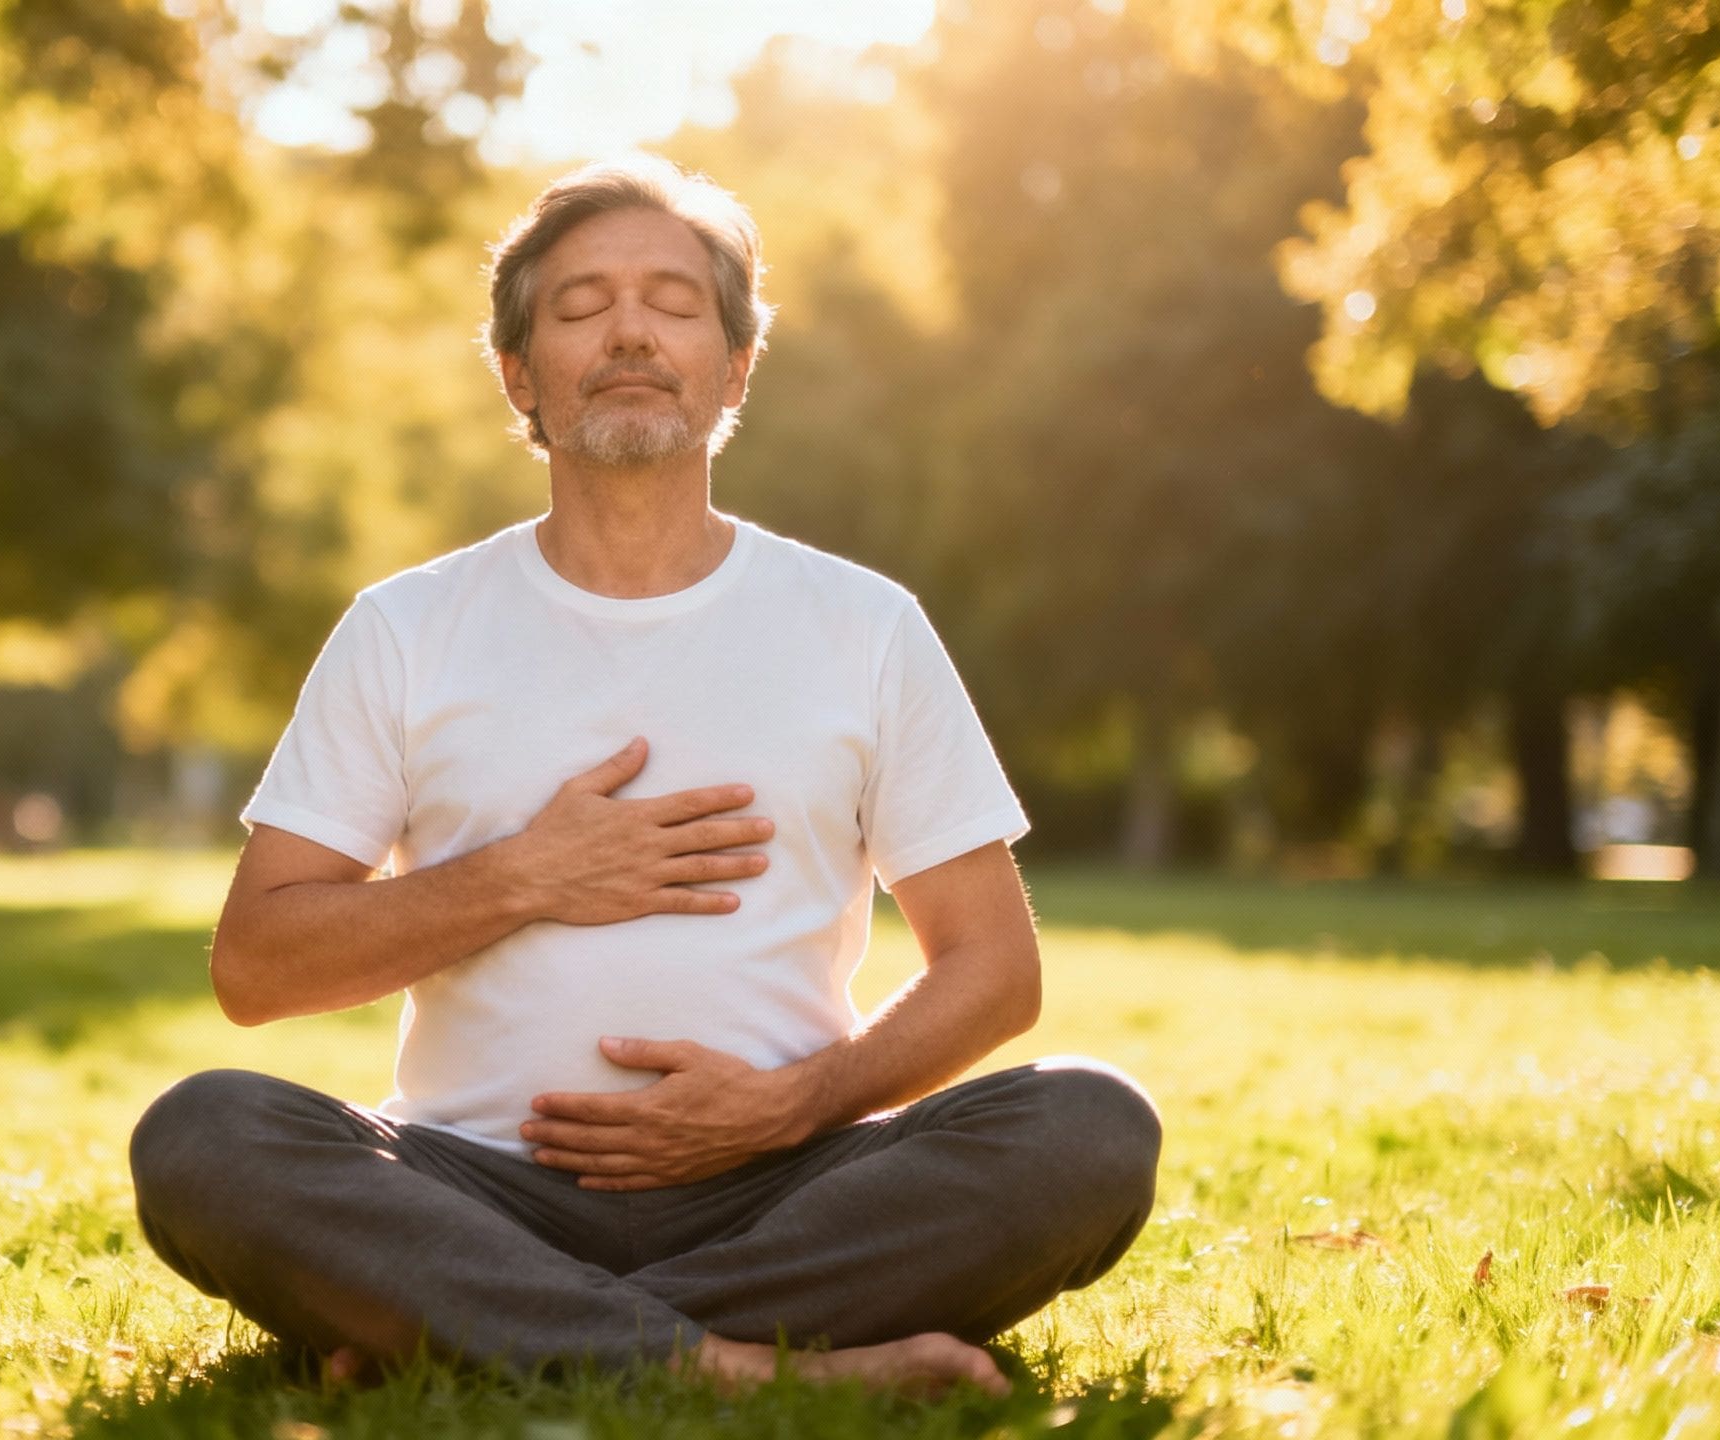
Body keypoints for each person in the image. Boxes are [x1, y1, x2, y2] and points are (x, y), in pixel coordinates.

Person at [129, 154, 1160, 1398]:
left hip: (787, 1188)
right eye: (577, 307)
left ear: (733, 367)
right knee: (204, 1136)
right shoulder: (406, 627)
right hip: (470, 1185)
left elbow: (995, 970)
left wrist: (792, 1107)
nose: (627, 330)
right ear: (519, 373)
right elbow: (255, 967)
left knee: (1090, 1127)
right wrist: (520, 876)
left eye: (673, 302)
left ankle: (466, 1336)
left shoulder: (862, 623)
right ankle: (733, 1368)